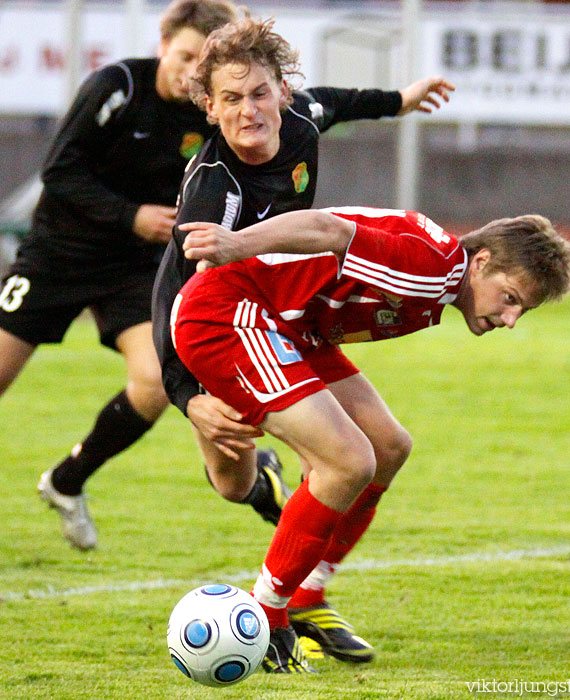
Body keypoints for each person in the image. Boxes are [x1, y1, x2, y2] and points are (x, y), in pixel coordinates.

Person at [151, 16, 454, 662]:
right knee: (232, 482)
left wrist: (400, 100)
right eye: (229, 99)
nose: (248, 110)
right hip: (219, 332)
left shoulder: (301, 122)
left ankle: (300, 597)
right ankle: (268, 500)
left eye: (259, 93)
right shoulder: (214, 189)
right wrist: (185, 394)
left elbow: (338, 101)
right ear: (209, 108)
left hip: (284, 315)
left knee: (383, 446)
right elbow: (174, 292)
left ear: (283, 92)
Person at [169, 205, 570, 673]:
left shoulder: (441, 277)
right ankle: (268, 615)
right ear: (481, 261)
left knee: (387, 447)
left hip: (290, 327)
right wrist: (235, 244)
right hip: (230, 312)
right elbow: (329, 229)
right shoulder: (432, 270)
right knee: (347, 462)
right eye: (509, 298)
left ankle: (306, 595)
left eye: (521, 309)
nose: (510, 319)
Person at [0, 0, 291, 552]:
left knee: (157, 383)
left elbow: (302, 105)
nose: (187, 72)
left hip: (130, 269)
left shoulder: (210, 110)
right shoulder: (118, 87)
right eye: (181, 55)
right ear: (163, 47)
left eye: (198, 62)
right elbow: (58, 169)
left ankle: (67, 481)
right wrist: (130, 215)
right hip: (55, 258)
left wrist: (394, 101)